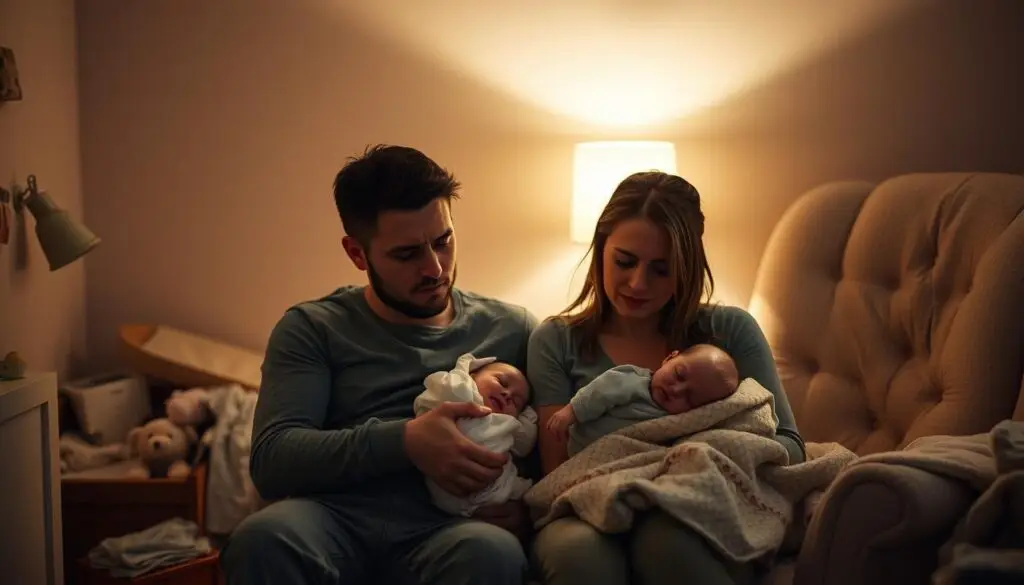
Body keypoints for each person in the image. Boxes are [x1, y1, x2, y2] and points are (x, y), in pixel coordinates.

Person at [219, 145, 537, 585]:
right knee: (263, 538)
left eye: (443, 241)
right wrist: (405, 442)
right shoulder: (312, 327)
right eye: (407, 254)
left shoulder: (512, 328)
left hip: (451, 530)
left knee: (492, 553)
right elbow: (273, 459)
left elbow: (550, 444)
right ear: (357, 254)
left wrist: (527, 507)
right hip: (334, 520)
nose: (435, 268)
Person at [527, 171, 805, 585]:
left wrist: (689, 460)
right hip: (583, 503)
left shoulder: (729, 333)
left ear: (688, 266)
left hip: (698, 499)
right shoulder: (555, 340)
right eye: (624, 261)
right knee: (578, 556)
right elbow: (557, 470)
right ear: (601, 249)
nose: (638, 283)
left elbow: (789, 446)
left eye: (662, 269)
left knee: (667, 541)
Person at [546, 343, 740, 456]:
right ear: (670, 358)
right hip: (580, 451)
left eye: (690, 398)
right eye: (679, 374)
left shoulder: (678, 422)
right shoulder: (632, 380)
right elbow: (597, 393)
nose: (676, 390)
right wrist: (571, 412)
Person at [413, 353, 538, 516]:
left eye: (516, 401)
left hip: (492, 490)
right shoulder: (462, 390)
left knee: (522, 490)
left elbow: (525, 443)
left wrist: (528, 414)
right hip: (442, 485)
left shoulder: (508, 424)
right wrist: (464, 368)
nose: (507, 394)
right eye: (501, 382)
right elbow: (440, 390)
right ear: (472, 376)